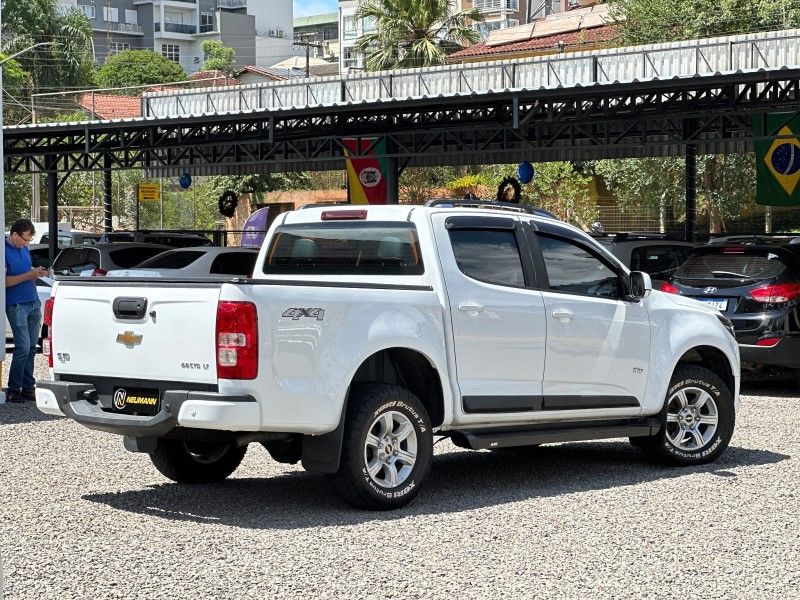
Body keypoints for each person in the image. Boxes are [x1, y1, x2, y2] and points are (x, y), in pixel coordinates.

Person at [4, 219, 47, 404]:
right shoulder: (3, 251)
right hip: (16, 304)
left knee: (30, 347)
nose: (26, 244)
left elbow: (24, 270)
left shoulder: (24, 249)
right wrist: (28, 276)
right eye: (25, 239)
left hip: (33, 301)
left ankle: (28, 387)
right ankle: (14, 389)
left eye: (29, 240)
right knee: (22, 346)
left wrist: (35, 271)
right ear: (14, 234)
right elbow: (4, 282)